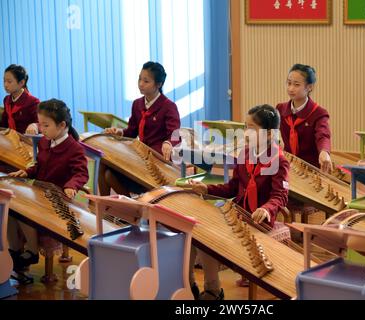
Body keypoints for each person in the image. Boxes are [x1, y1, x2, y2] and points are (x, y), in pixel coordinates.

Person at [189, 104, 290, 300]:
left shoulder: (279, 160)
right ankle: (190, 283)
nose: (246, 133)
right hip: (239, 212)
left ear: (269, 135)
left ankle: (212, 290)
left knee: (208, 238)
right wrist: (207, 189)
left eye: (252, 128)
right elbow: (233, 187)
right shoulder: (245, 154)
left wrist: (266, 209)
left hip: (259, 219)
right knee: (196, 231)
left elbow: (280, 195)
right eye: (245, 127)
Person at [8, 99, 89, 270]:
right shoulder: (45, 142)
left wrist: (72, 185)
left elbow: (81, 173)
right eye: (40, 125)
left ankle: (31, 252)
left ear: (61, 125)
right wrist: (27, 172)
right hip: (40, 193)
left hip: (58, 199)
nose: (41, 130)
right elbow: (39, 165)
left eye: (46, 126)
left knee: (24, 212)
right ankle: (14, 252)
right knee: (11, 210)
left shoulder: (74, 148)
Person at [100, 61, 181, 196]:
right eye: (139, 79)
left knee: (109, 174)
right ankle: (107, 209)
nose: (140, 84)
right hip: (139, 157)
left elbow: (175, 134)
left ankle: (132, 211)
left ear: (159, 84)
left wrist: (168, 143)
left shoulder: (168, 106)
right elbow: (131, 132)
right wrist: (119, 132)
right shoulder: (137, 104)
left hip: (156, 162)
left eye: (146, 81)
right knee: (105, 166)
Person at [276, 64, 332, 173]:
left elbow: (323, 134)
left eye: (296, 85)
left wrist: (324, 151)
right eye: (289, 83)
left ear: (310, 87)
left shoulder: (318, 113)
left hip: (311, 169)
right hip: (289, 166)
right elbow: (269, 130)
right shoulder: (280, 109)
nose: (291, 88)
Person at [1, 64, 40, 134]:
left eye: (9, 81)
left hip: (26, 140)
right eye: (4, 81)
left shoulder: (33, 102)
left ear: (22, 82)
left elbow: (41, 124)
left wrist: (35, 125)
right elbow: (4, 123)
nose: (5, 85)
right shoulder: (6, 100)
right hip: (10, 138)